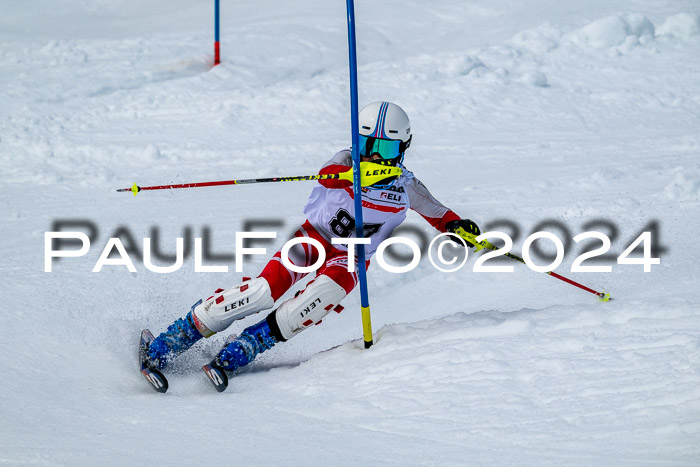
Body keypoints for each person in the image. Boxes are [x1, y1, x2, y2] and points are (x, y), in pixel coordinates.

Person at [142, 101, 481, 391]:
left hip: (351, 259)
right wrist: (356, 173)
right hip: (313, 238)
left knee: (320, 298)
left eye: (387, 149)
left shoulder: (407, 186)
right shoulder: (346, 161)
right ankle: (175, 337)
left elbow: (439, 213)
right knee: (264, 292)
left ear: (403, 150)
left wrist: (458, 227)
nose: (376, 155)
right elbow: (329, 174)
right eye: (368, 144)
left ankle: (248, 345)